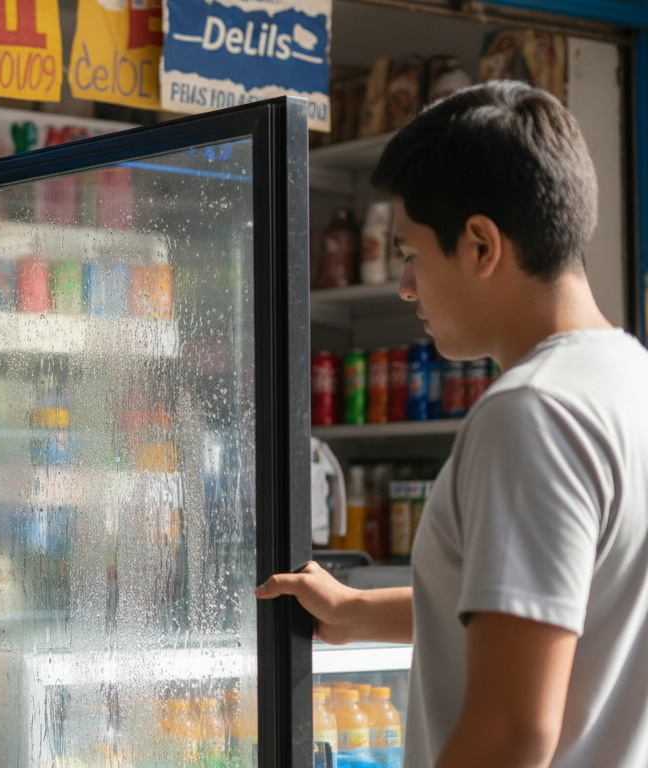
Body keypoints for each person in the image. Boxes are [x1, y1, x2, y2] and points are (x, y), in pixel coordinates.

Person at [258, 81, 648, 768]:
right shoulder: (628, 380)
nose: (406, 287)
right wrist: (353, 611)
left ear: (479, 244)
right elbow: (535, 612)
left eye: (411, 256)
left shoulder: (532, 414)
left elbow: (511, 733)